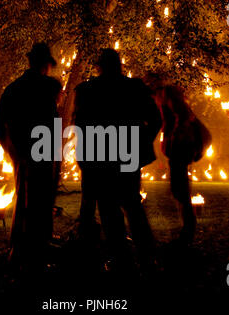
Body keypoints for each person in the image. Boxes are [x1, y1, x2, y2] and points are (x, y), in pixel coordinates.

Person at [73, 48, 162, 272]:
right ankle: (146, 256)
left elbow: (81, 126)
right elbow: (155, 120)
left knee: (109, 208)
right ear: (119, 65)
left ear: (98, 66)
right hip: (125, 155)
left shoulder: (86, 90)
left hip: (100, 158)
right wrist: (140, 143)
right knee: (132, 205)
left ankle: (121, 257)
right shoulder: (135, 88)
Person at [0, 43, 62, 274]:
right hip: (40, 150)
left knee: (25, 199)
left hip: (23, 151)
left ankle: (21, 250)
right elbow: (53, 120)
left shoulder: (13, 89)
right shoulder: (50, 87)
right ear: (45, 65)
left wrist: (11, 149)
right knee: (40, 203)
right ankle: (33, 254)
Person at [153, 85, 211, 245]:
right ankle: (187, 230)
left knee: (181, 191)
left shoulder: (174, 104)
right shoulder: (171, 104)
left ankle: (188, 231)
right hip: (179, 152)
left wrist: (173, 140)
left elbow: (181, 121)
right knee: (179, 191)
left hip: (180, 152)